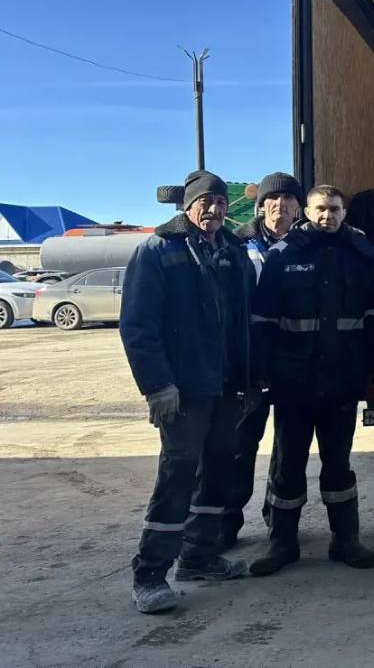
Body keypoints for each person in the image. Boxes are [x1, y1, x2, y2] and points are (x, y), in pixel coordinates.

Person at [120, 170, 252, 613]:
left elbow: (244, 322)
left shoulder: (233, 251)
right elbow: (138, 326)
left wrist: (250, 379)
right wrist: (157, 385)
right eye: (204, 202)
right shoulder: (158, 251)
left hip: (227, 386)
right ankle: (150, 573)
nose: (213, 209)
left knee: (218, 471)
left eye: (220, 201)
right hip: (185, 390)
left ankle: (199, 556)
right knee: (178, 474)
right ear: (188, 206)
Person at [247, 185, 374, 576]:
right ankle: (282, 543)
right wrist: (262, 372)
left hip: (342, 379)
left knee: (338, 464)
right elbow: (262, 319)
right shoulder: (284, 254)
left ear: (344, 213)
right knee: (288, 465)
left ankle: (346, 541)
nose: (327, 216)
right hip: (293, 382)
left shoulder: (361, 254)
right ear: (306, 212)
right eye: (321, 209)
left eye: (335, 209)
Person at [220, 172, 305, 550]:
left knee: (288, 450)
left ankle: (279, 520)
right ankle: (226, 523)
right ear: (261, 206)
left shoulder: (307, 246)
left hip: (293, 364)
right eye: (273, 199)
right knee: (239, 447)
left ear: (298, 209)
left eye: (289, 200)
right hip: (248, 366)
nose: (280, 206)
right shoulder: (237, 246)